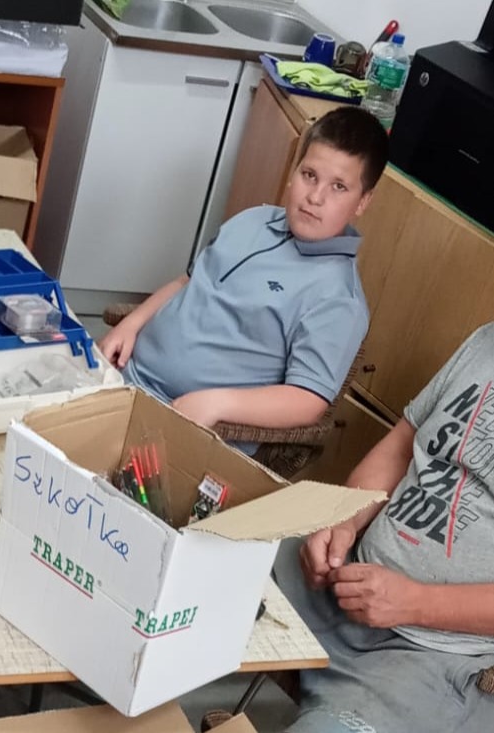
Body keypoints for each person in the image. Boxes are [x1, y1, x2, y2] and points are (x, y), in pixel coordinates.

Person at [99, 107, 388, 441]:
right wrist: (132, 324)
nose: (315, 197)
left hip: (181, 423)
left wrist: (218, 403)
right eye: (310, 175)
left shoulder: (338, 298)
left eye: (338, 186)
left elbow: (308, 401)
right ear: (294, 171)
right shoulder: (252, 220)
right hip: (120, 375)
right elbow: (189, 282)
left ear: (363, 201)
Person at [275, 323, 494, 732]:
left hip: (431, 656)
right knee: (191, 577)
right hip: (343, 581)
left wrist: (414, 602)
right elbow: (401, 448)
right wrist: (345, 517)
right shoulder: (485, 340)